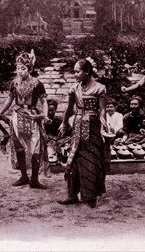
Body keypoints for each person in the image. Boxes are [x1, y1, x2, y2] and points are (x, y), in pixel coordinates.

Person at [58, 58, 107, 208]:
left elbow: (102, 109)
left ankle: (90, 196)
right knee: (73, 158)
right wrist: (64, 123)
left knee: (90, 159)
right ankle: (72, 194)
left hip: (92, 127)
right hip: (78, 125)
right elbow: (68, 108)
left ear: (87, 72)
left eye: (77, 71)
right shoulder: (74, 88)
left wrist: (104, 125)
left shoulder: (99, 88)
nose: (75, 74)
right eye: (74, 71)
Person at [0, 50, 48, 189]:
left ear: (30, 69)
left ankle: (35, 179)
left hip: (32, 116)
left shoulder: (37, 83)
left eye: (23, 68)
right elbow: (9, 99)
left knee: (35, 146)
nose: (19, 71)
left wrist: (44, 115)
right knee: (18, 146)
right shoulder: (14, 83)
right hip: (17, 115)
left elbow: (44, 101)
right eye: (18, 68)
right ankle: (24, 176)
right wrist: (1, 112)